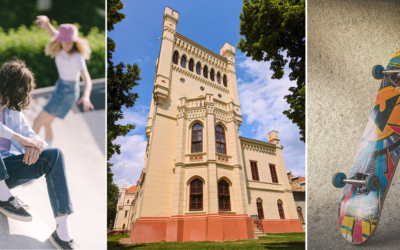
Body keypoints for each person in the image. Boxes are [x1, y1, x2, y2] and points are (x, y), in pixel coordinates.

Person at [0, 60, 76, 249]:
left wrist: (34, 146)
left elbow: (32, 136)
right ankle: (3, 196)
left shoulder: (13, 112)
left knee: (54, 155)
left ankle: (62, 231)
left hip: (6, 172)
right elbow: (21, 136)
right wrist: (20, 139)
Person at [33, 15, 94, 146]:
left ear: (75, 41)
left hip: (69, 92)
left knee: (37, 122)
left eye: (70, 41)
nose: (67, 44)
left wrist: (86, 96)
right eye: (64, 40)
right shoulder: (59, 43)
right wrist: (45, 20)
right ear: (59, 39)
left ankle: (28, 154)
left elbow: (87, 78)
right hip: (60, 86)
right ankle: (48, 150)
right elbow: (49, 28)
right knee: (47, 123)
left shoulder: (78, 56)